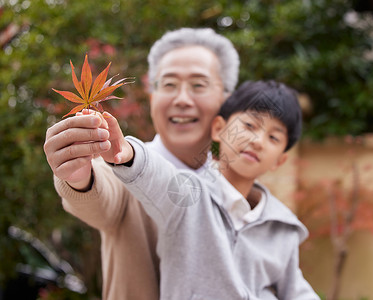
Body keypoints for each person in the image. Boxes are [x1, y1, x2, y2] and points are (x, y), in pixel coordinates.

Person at [43, 27, 240, 300]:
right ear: (152, 94)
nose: (182, 99)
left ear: (226, 99)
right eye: (169, 84)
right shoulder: (124, 164)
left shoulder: (236, 189)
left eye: (198, 85)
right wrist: (78, 177)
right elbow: (103, 194)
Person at [100, 80, 320, 299]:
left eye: (273, 137)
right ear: (219, 129)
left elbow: (296, 290)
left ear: (279, 161)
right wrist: (129, 154)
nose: (258, 141)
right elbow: (158, 177)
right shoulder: (189, 196)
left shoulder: (282, 227)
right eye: (250, 126)